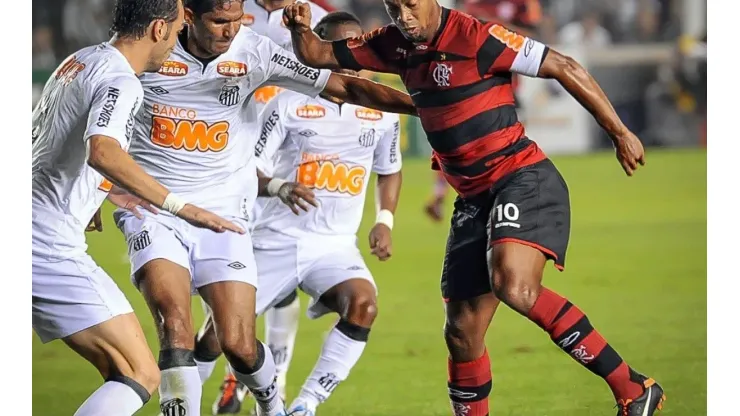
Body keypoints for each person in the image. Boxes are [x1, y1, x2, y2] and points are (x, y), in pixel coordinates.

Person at [283, 1, 665, 415]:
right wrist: (300, 29)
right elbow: (318, 55)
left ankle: (632, 387)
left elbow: (564, 66)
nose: (404, 18)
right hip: (472, 198)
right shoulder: (392, 44)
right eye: (394, 8)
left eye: (411, 6)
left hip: (520, 177)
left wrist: (620, 133)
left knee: (513, 284)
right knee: (462, 330)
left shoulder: (479, 37)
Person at [114, 1, 416, 415]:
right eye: (220, 21)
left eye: (237, 20)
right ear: (188, 17)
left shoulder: (255, 50)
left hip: (263, 226)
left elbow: (359, 114)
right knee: (181, 326)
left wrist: (431, 107)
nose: (230, 30)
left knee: (243, 341)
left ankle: (285, 404)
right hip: (184, 215)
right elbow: (99, 118)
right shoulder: (150, 55)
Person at [31, 1, 244, 415]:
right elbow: (103, 151)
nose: (178, 42)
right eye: (179, 29)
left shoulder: (79, 60)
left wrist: (99, 192)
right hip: (44, 245)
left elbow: (49, 141)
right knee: (138, 373)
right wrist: (181, 207)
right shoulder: (122, 81)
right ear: (159, 29)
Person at [195, 11, 402, 415]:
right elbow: (246, 169)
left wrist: (384, 220)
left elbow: (389, 169)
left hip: (334, 247)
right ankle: (181, 399)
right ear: (314, 51)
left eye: (352, 48)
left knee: (364, 305)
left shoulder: (382, 111)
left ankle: (305, 405)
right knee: (218, 337)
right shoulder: (288, 102)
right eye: (335, 48)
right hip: (275, 240)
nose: (346, 57)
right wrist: (278, 186)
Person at [201, 1, 331, 412]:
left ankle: (271, 382)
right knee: (227, 276)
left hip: (288, 149)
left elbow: (332, 74)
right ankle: (230, 370)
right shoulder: (228, 10)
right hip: (230, 150)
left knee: (280, 280)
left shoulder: (316, 15)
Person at [424, 0, 542, 223]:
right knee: (453, 143)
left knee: (503, 153)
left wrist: (493, 26)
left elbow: (534, 41)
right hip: (469, 87)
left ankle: (509, 204)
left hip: (504, 92)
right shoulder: (469, 5)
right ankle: (444, 195)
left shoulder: (522, 4)